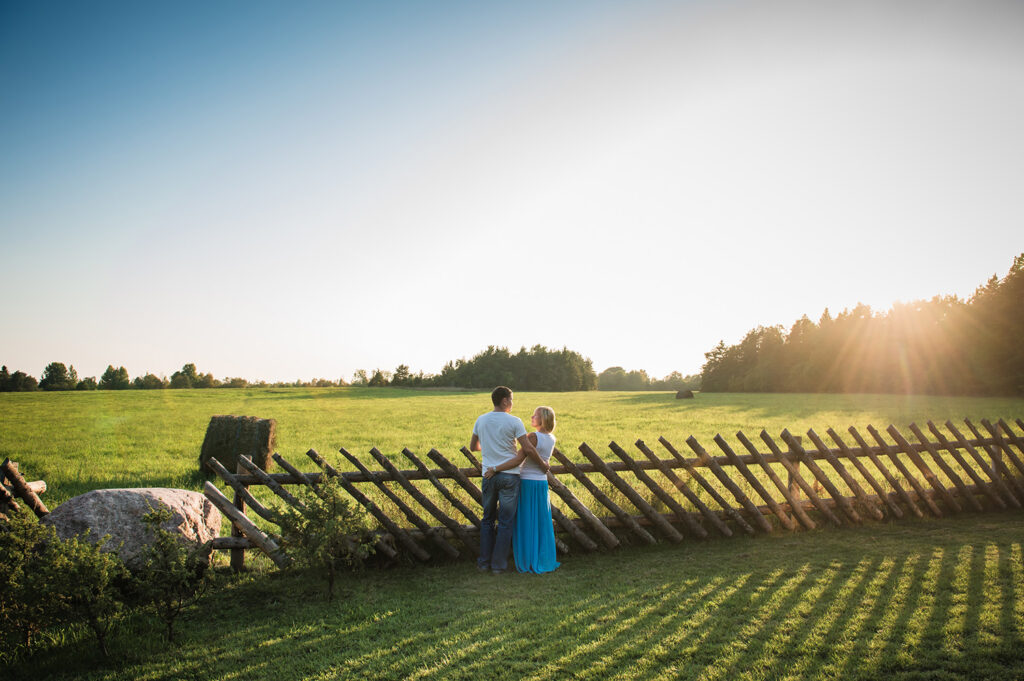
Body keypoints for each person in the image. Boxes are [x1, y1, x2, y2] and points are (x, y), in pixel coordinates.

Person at [471, 386, 548, 575]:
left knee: (487, 519)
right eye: (511, 400)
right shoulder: (514, 422)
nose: (512, 403)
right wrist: (543, 464)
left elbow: (474, 446)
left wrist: (490, 448)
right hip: (510, 477)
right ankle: (498, 566)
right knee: (505, 522)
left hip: (488, 475)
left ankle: (483, 563)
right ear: (504, 401)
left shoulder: (481, 420)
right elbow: (528, 449)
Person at [489, 405, 561, 574]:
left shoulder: (533, 437)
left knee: (526, 521)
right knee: (540, 521)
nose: (531, 417)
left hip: (528, 483)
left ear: (542, 419)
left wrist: (495, 468)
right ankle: (542, 556)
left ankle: (528, 558)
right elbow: (542, 461)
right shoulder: (552, 438)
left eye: (534, 415)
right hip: (541, 483)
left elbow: (517, 460)